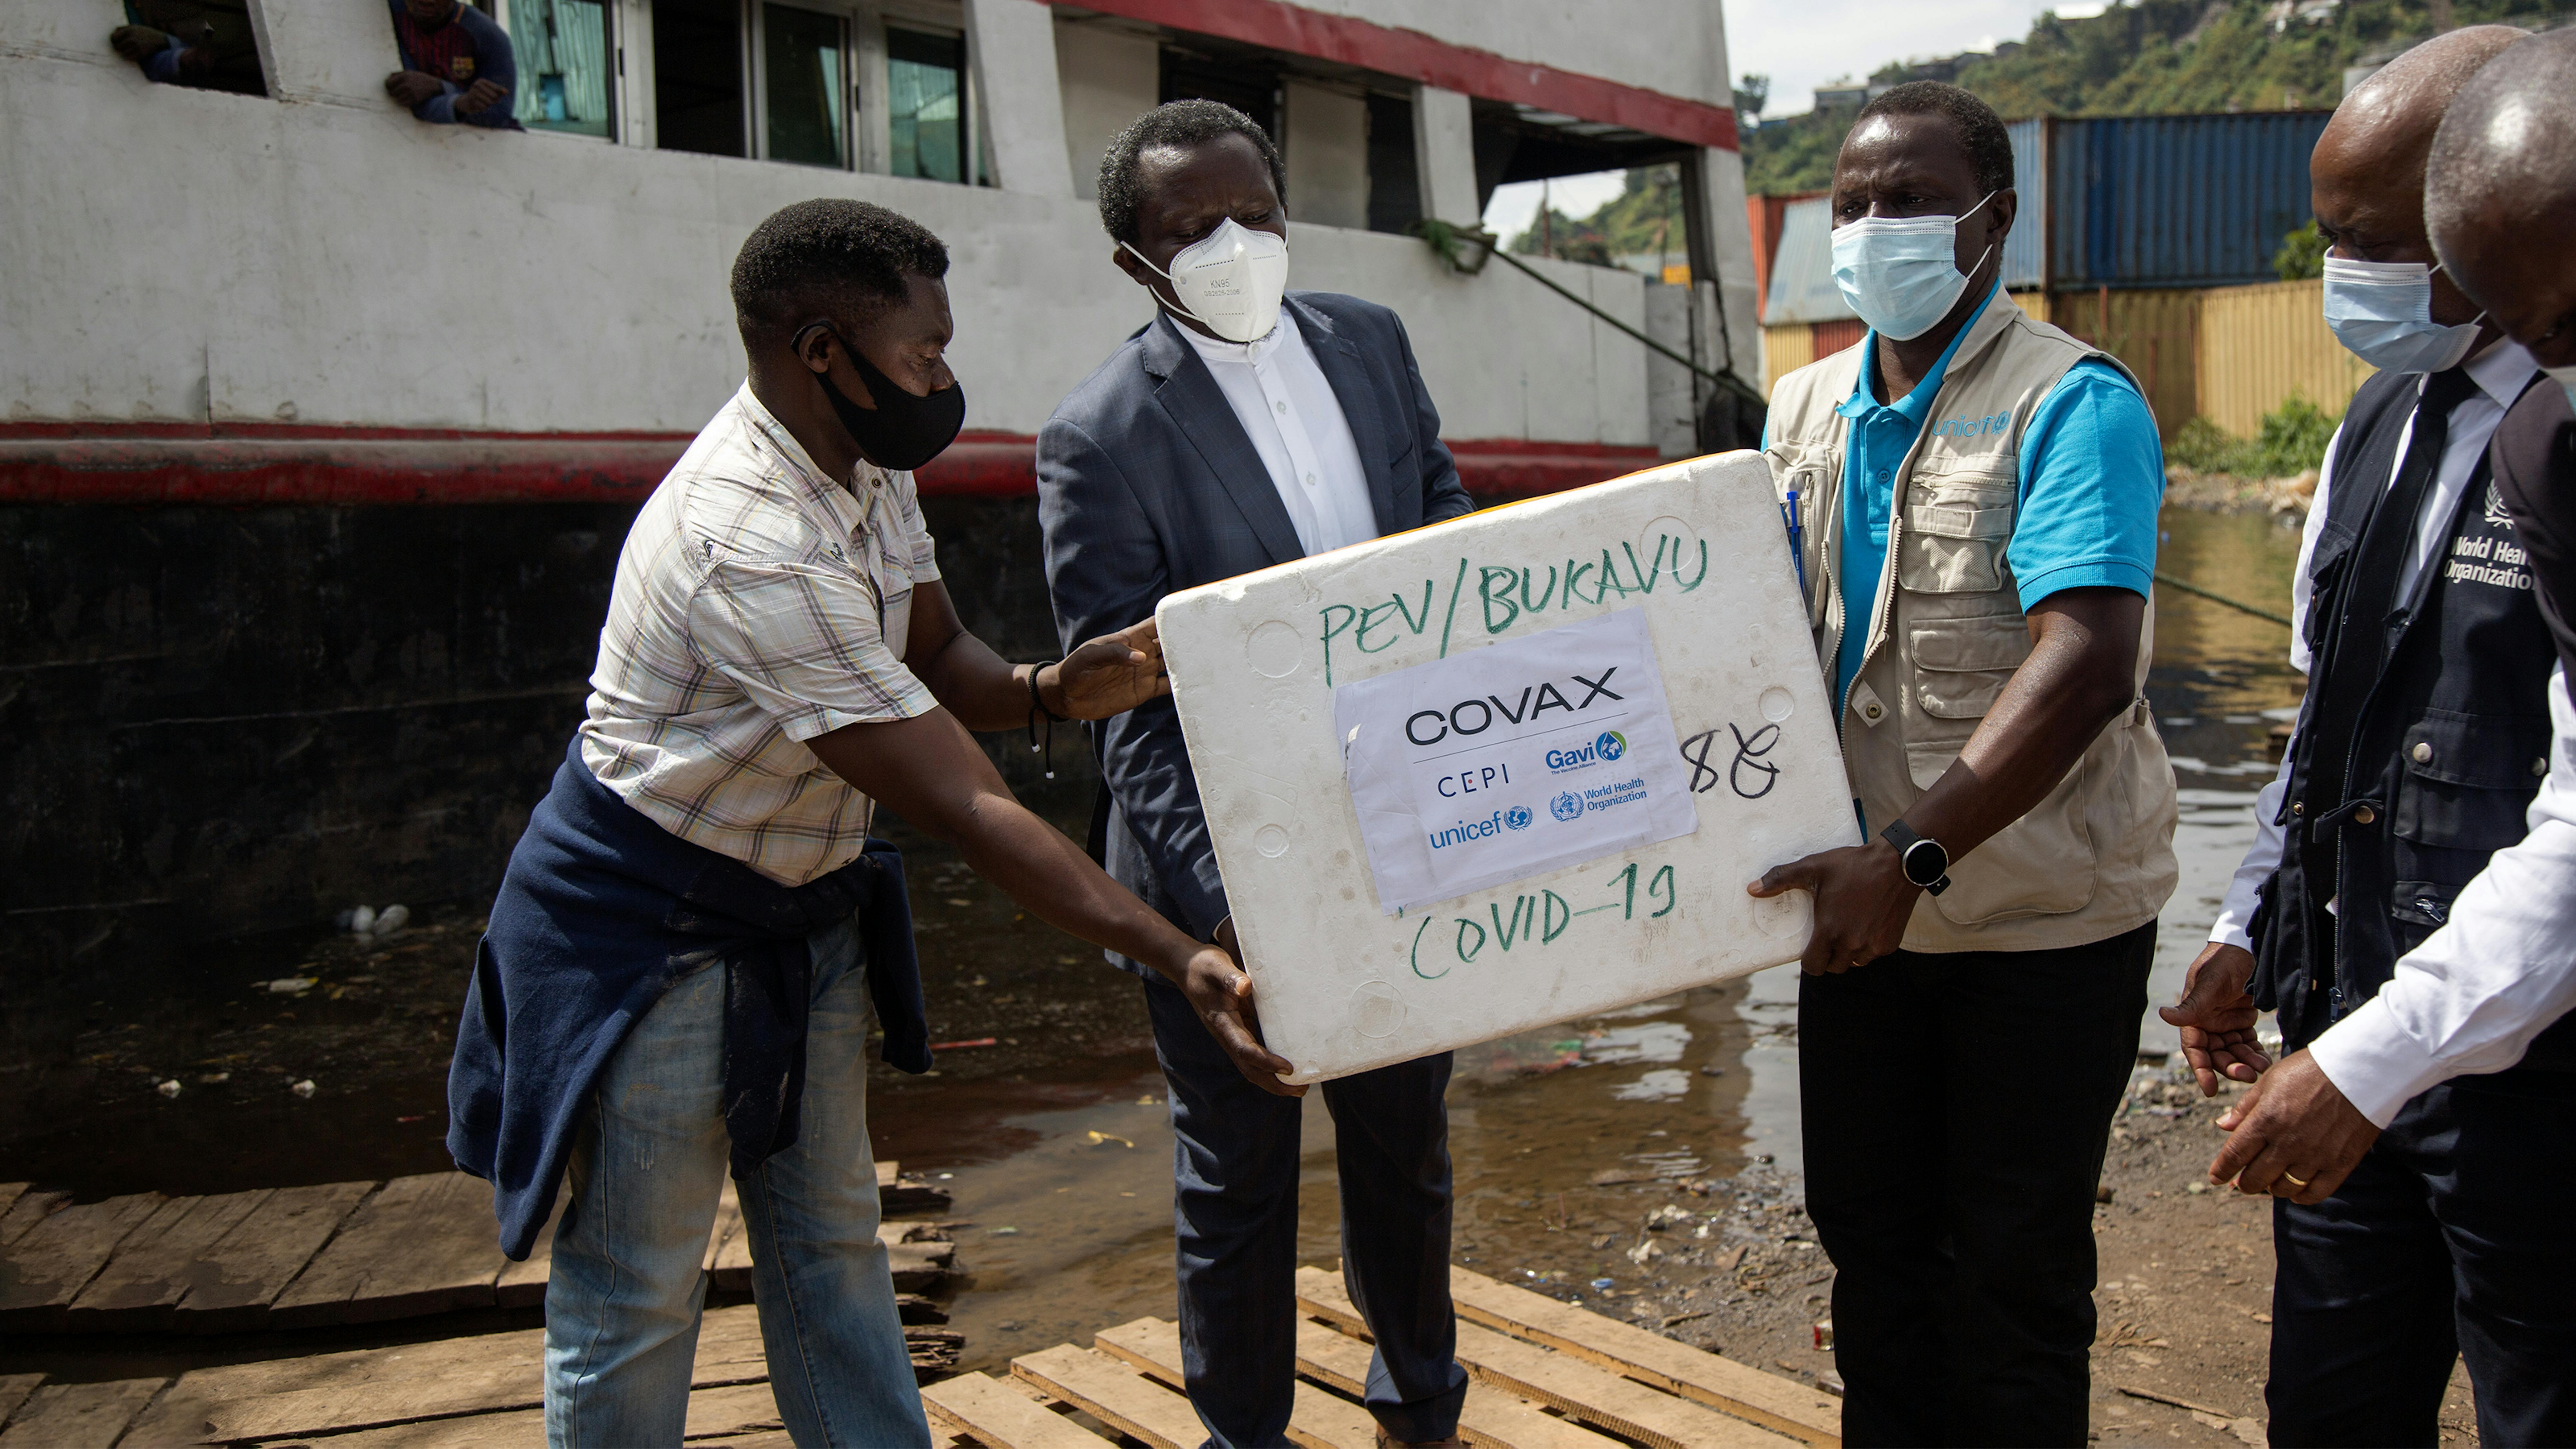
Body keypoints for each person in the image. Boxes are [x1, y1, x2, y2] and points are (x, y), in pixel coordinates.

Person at [447, 199, 1268, 1448]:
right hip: (650, 929)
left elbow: (934, 647)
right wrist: (1178, 951)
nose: (944, 378)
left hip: (801, 899)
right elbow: (965, 803)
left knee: (830, 1240)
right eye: (924, 355)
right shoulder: (749, 539)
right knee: (639, 1283)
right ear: (822, 350)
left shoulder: (864, 463)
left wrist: (1053, 687)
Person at [1036, 100, 1475, 1449]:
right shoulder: (1099, 434)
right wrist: (1240, 900)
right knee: (1236, 1179)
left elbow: (1444, 528)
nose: (1231, 245)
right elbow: (1129, 717)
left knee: (1407, 1147)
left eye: (1252, 216)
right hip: (1217, 874)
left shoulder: (1374, 340)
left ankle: (1420, 1402)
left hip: (1401, 825)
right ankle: (1245, 1432)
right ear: (1136, 263)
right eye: (1189, 230)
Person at [2152, 28, 2568, 1446]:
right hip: (2343, 1032)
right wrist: (2252, 921)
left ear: (2477, 226)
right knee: (2328, 1407)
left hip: (2531, 1073)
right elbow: (2323, 716)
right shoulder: (2379, 422)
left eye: (2372, 241)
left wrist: (2384, 1055)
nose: (2346, 274)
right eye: (2329, 238)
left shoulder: (2560, 433)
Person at [1748, 81, 2178, 1445]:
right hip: (1864, 924)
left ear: (1992, 218)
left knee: (2015, 1278)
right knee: (1873, 1255)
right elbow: (1738, 646)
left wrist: (1912, 855)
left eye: (1915, 199)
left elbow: (2087, 664)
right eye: (1855, 202)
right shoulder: (1800, 406)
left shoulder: (2072, 402)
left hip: (2038, 924)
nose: (1879, 226)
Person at [385, 0, 520, 129]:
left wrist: (441, 89)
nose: (427, 1)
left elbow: (500, 113)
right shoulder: (384, 13)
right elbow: (411, 99)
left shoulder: (487, 35)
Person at [109, 0, 265, 96]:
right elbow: (142, 64)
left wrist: (180, 52)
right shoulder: (129, 11)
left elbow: (207, 31)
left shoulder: (201, 25)